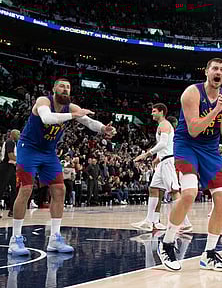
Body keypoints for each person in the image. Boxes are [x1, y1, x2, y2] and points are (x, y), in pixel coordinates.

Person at [9, 77, 116, 256]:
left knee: (60, 190)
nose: (65, 89)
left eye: (68, 87)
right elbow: (47, 118)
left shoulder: (71, 107)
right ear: (54, 89)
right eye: (61, 86)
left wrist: (103, 128)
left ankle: (55, 239)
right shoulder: (44, 101)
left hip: (49, 152)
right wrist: (74, 115)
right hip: (29, 149)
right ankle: (15, 239)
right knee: (25, 190)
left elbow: (88, 121)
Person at [158, 58, 222, 272]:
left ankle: (209, 254)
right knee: (189, 193)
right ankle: (166, 243)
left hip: (211, 150)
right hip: (187, 146)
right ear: (207, 72)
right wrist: (215, 110)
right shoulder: (192, 93)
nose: (218, 72)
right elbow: (194, 130)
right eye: (215, 68)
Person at [132, 103, 191, 232]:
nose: (152, 113)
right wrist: (158, 157)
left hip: (168, 162)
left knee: (174, 191)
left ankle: (185, 222)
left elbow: (163, 143)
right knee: (153, 188)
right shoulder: (164, 125)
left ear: (161, 112)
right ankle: (149, 221)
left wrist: (147, 154)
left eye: (154, 111)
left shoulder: (164, 124)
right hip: (164, 160)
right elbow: (168, 144)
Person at [0, 129, 20, 218]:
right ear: (13, 134)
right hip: (6, 167)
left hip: (11, 167)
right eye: (18, 134)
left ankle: (12, 210)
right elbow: (10, 156)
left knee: (14, 189)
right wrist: (21, 160)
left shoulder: (12, 142)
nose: (19, 136)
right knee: (2, 188)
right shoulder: (10, 142)